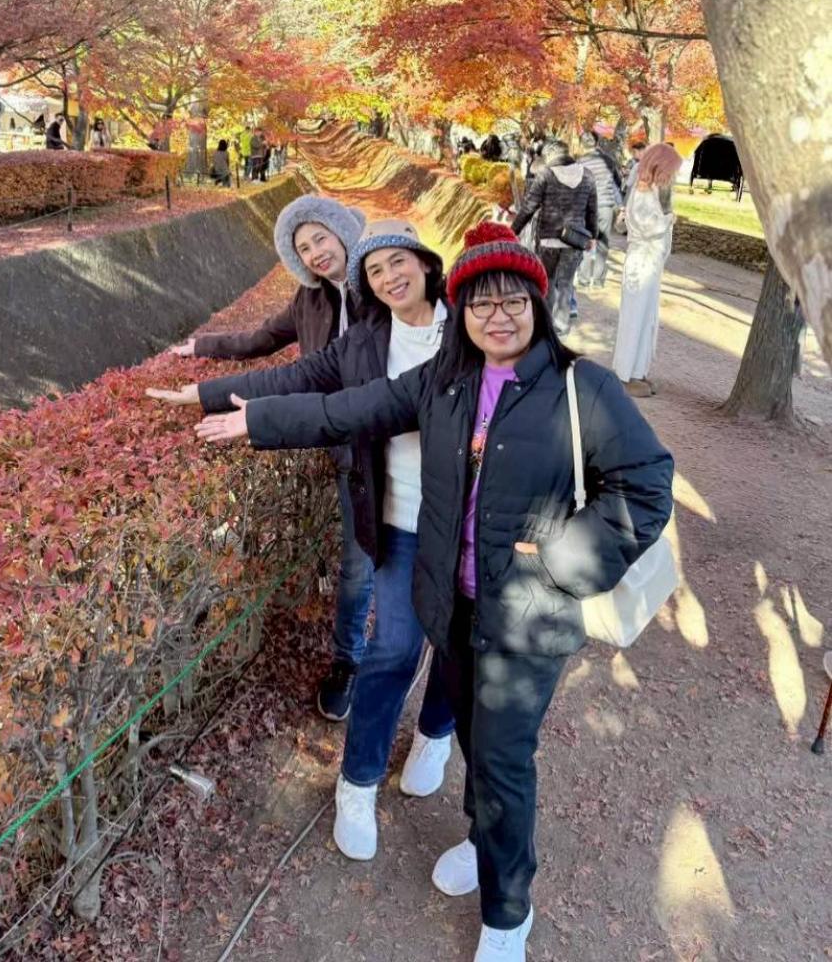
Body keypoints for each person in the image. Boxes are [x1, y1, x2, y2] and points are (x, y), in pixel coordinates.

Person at [194, 220, 674, 962]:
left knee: (502, 761)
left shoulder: (583, 387)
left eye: (512, 300)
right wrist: (249, 417)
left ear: (537, 305)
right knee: (474, 739)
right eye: (481, 303)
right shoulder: (444, 382)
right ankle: (483, 842)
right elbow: (342, 410)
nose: (497, 316)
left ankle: (508, 915)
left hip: (529, 617)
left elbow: (645, 486)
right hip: (451, 605)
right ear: (463, 310)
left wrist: (563, 561)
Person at [156, 219, 458, 860]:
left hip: (466, 520)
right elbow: (297, 378)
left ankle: (435, 733)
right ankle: (359, 781)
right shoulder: (365, 342)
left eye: (398, 262)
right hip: (398, 514)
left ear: (427, 264)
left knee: (462, 643)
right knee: (392, 648)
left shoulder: (467, 331)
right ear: (366, 285)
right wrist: (203, 395)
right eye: (375, 271)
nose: (390, 277)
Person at [149, 195, 372, 721]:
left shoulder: (377, 288)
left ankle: (362, 658)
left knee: (374, 565)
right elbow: (263, 340)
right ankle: (350, 658)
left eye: (320, 238)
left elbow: (313, 372)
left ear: (343, 232)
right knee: (356, 564)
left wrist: (208, 395)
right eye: (304, 247)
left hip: (385, 441)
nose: (315, 252)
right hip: (339, 441)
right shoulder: (310, 299)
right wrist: (201, 349)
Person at [612, 143, 683, 397]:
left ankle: (637, 370)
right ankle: (624, 373)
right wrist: (668, 219)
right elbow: (648, 227)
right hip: (641, 263)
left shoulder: (652, 192)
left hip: (650, 264)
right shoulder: (642, 193)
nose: (673, 176)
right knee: (634, 319)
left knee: (646, 319)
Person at [510, 141, 597, 335]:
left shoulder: (546, 175)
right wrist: (593, 235)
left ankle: (546, 324)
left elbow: (528, 207)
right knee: (566, 283)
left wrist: (513, 231)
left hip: (548, 240)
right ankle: (562, 324)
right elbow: (592, 210)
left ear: (551, 155)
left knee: (547, 282)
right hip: (575, 240)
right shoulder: (587, 175)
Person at [576, 131, 623, 290]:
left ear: (582, 144)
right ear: (597, 143)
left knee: (586, 242)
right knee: (603, 244)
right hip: (605, 207)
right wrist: (620, 205)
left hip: (586, 208)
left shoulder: (580, 163)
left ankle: (583, 279)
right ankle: (597, 280)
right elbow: (617, 184)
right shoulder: (608, 160)